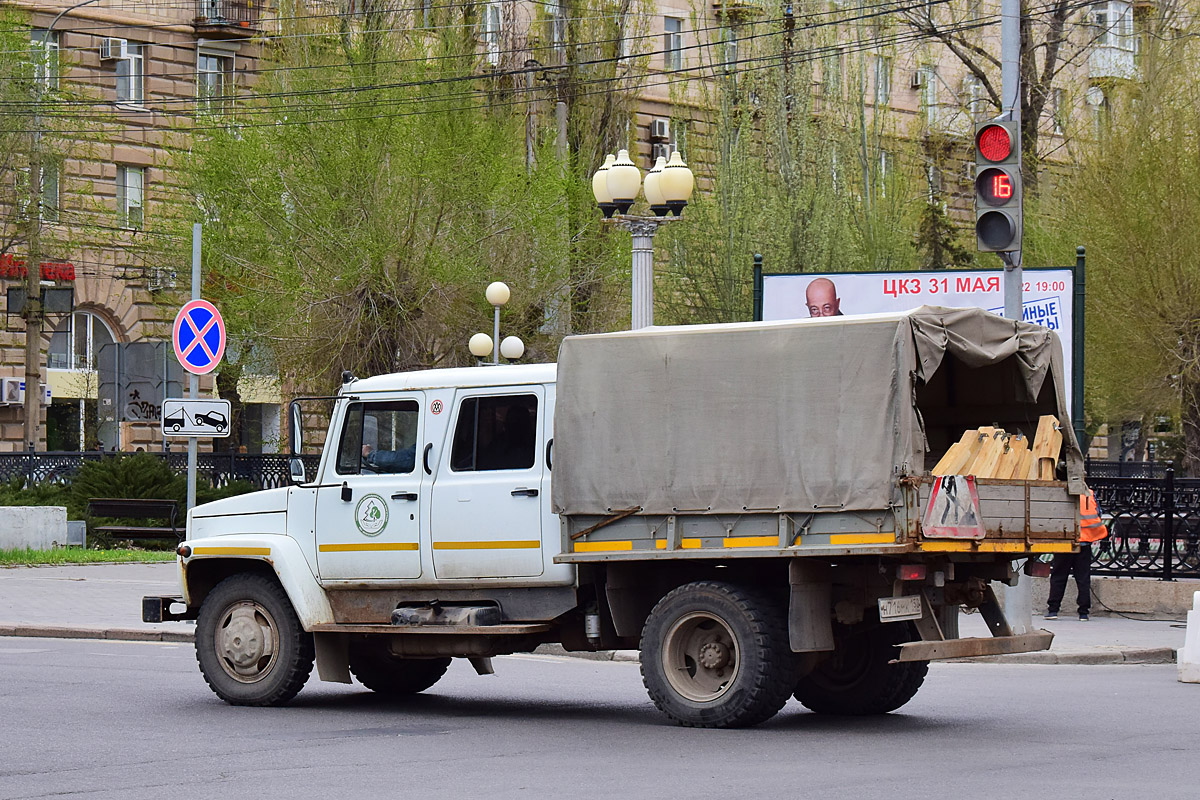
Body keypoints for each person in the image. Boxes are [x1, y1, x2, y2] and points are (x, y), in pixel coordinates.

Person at [1046, 488, 1108, 621]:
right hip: (1084, 542)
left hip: (1065, 542)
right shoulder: (1090, 493)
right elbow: (1098, 513)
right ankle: (1083, 612)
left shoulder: (1059, 492)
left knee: (1058, 576)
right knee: (1083, 578)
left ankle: (1053, 610)